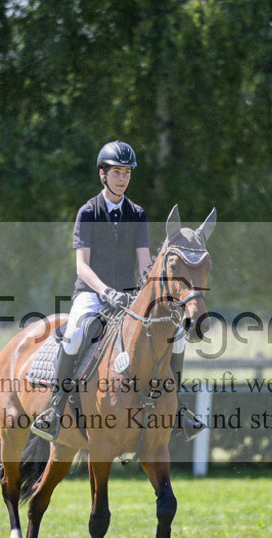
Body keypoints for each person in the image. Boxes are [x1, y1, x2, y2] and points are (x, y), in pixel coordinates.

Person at [30, 140, 205, 443]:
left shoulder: (137, 214)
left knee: (175, 337)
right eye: (116, 172)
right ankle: (55, 409)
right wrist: (105, 291)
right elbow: (82, 266)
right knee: (75, 334)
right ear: (103, 174)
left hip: (128, 296)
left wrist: (145, 293)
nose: (122, 178)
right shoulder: (88, 212)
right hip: (92, 292)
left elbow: (142, 263)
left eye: (127, 173)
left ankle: (178, 409)